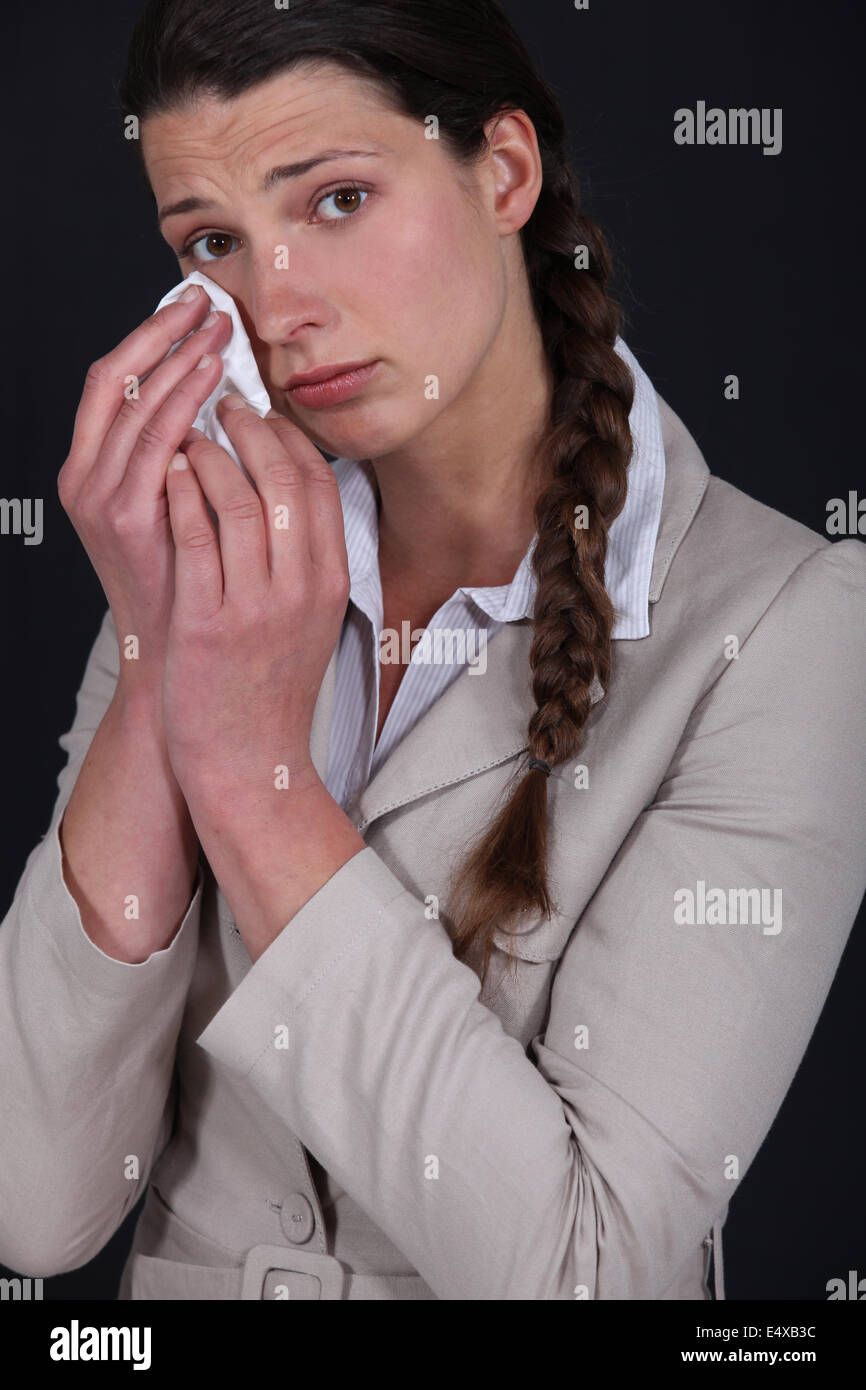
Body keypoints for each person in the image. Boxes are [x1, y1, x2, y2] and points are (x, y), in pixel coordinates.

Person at [0, 0, 863, 1301]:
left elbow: (588, 1272)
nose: (277, 304)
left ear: (503, 172)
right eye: (215, 240)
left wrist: (249, 779)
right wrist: (153, 637)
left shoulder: (788, 625)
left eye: (338, 198)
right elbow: (33, 1204)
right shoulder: (206, 558)